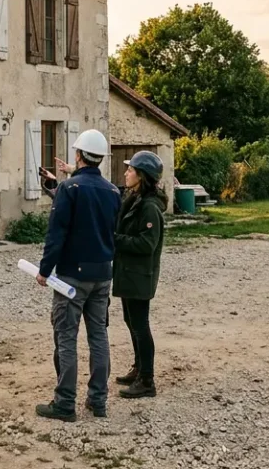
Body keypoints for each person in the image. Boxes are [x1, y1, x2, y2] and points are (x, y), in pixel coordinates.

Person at [34, 129, 122, 422]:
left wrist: (45, 270)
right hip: (102, 274)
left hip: (72, 276)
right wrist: (56, 183)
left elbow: (56, 234)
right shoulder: (113, 192)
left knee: (66, 337)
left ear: (79, 155)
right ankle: (98, 400)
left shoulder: (70, 190)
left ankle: (65, 403)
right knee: (99, 336)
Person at [112, 150, 167, 399]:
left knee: (140, 325)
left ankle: (147, 380)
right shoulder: (134, 199)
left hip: (139, 274)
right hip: (129, 273)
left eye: (130, 170)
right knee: (131, 322)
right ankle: (139, 368)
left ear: (141, 176)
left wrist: (116, 241)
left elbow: (147, 244)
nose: (126, 173)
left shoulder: (150, 208)